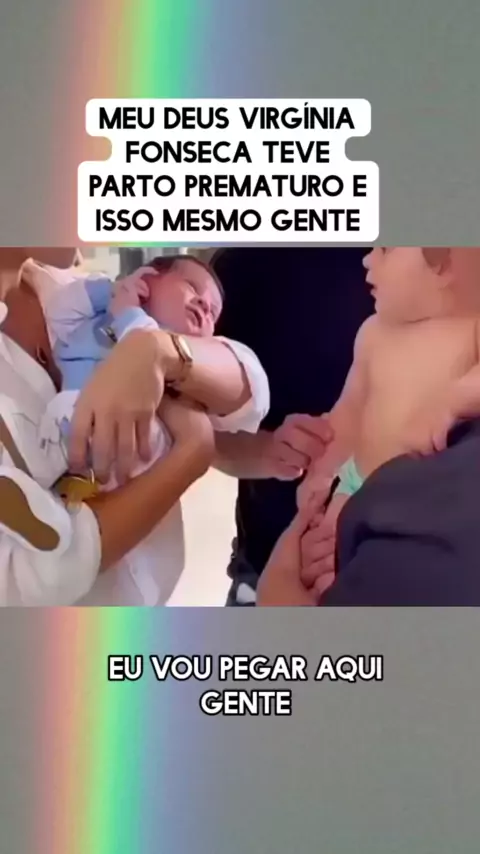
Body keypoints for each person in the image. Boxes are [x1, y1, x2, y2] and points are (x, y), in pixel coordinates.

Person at [0, 248, 268, 606]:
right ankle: (42, 510)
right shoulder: (97, 305)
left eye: (212, 312)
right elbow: (29, 578)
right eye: (192, 287)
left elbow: (249, 389)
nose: (204, 307)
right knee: (58, 450)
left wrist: (159, 350)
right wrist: (192, 453)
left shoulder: (59, 285)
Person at [297, 247, 480, 601]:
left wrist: (454, 398)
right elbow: (350, 411)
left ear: (444, 265)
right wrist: (321, 472)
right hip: (354, 483)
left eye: (384, 249)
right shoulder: (373, 331)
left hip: (422, 503)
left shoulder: (472, 327)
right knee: (324, 570)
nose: (367, 259)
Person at [213, 247, 374, 606]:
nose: (373, 263)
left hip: (407, 571)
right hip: (269, 565)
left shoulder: (434, 262)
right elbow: (202, 433)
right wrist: (268, 451)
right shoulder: (240, 267)